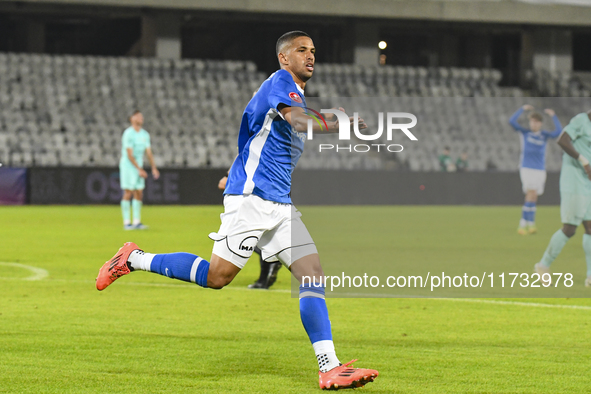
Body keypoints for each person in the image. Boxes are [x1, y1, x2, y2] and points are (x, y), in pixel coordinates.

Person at [96, 31, 378, 390]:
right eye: (301, 50)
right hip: (252, 200)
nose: (310, 56)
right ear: (283, 58)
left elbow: (253, 136)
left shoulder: (292, 94)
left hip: (278, 203)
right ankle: (133, 258)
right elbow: (298, 122)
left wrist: (234, 168)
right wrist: (342, 124)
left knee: (312, 275)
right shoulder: (280, 83)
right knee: (218, 277)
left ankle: (329, 366)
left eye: (313, 51)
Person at [535, 111, 591, 287]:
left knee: (590, 227)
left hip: (587, 181)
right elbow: (562, 140)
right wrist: (583, 160)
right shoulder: (580, 120)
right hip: (574, 180)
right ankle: (543, 265)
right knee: (570, 228)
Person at [218, 173, 282, 289]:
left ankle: (273, 257)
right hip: (272, 186)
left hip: (254, 189)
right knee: (261, 233)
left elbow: (242, 157)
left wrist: (228, 175)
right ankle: (264, 278)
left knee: (244, 233)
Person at [509, 104, 562, 235]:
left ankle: (531, 224)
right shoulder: (525, 133)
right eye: (532, 121)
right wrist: (522, 109)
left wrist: (553, 116)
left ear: (540, 124)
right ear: (530, 122)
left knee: (534, 197)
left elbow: (558, 132)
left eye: (537, 122)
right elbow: (511, 122)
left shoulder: (544, 135)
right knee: (530, 193)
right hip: (527, 168)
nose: (534, 124)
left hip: (540, 169)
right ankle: (522, 224)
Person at [119, 110, 160, 230]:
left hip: (139, 165)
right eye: (137, 116)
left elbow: (148, 152)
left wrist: (153, 167)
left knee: (139, 192)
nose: (140, 118)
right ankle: (126, 222)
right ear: (132, 118)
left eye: (141, 116)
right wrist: (139, 169)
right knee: (128, 191)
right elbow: (129, 154)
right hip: (128, 165)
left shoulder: (144, 134)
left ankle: (136, 221)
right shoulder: (128, 134)